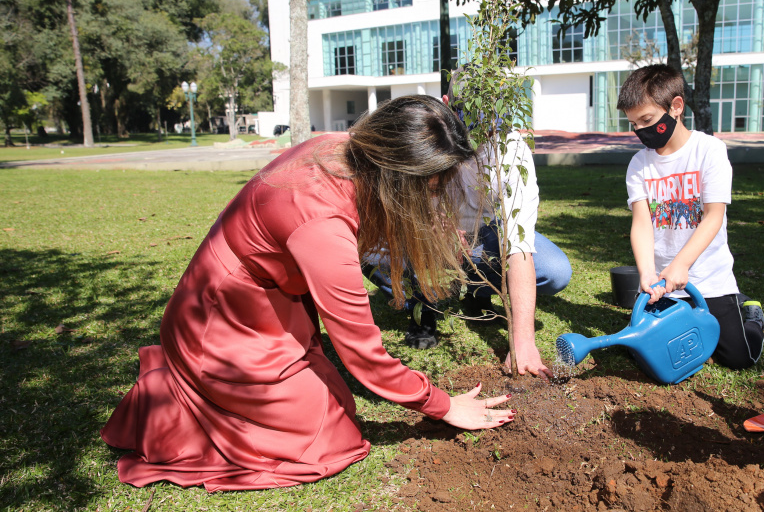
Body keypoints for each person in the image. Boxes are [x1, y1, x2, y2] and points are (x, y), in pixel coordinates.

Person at [100, 95, 515, 492]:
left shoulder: (346, 148)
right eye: (429, 189)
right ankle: (180, 409)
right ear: (395, 174)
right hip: (222, 323)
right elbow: (362, 352)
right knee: (331, 438)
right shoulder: (321, 224)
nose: (434, 200)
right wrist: (443, 405)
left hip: (268, 304)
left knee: (337, 406)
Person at [364, 74, 572, 379]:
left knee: (554, 270)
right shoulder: (427, 136)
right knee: (364, 250)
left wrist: (523, 341)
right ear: (448, 104)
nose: (478, 126)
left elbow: (519, 245)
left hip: (484, 237)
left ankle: (478, 294)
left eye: (489, 116)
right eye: (467, 112)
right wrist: (429, 232)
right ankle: (421, 306)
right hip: (424, 235)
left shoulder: (510, 152)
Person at [619, 64, 764, 370]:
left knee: (739, 358)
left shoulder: (709, 151)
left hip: (710, 282)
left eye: (646, 120)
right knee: (642, 357)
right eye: (632, 124)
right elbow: (642, 223)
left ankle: (749, 312)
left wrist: (681, 266)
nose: (639, 131)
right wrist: (647, 274)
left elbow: (713, 217)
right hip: (661, 286)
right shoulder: (638, 164)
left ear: (676, 107)